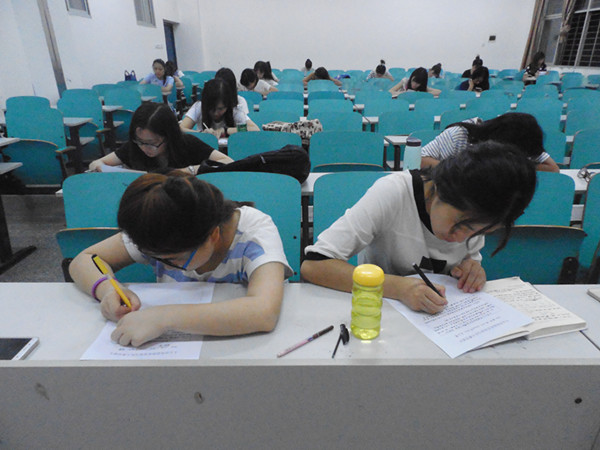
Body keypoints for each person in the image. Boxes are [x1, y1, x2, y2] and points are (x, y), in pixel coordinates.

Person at [301, 142, 537, 314]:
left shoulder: (481, 212)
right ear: (441, 189)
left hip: (443, 323)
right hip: (379, 315)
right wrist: (399, 288)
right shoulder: (394, 193)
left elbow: (469, 259)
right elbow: (314, 265)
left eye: (479, 232)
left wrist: (472, 268)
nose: (460, 239)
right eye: (460, 224)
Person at [69, 172, 293, 347]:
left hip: (245, 349)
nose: (165, 264)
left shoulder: (254, 231)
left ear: (213, 235)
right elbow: (85, 259)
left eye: (174, 259)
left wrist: (163, 318)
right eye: (155, 258)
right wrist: (107, 290)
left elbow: (263, 311)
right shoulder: (161, 224)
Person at [89, 102, 232, 173]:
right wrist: (98, 167)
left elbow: (228, 162)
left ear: (169, 136)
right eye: (140, 142)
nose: (145, 148)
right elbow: (96, 164)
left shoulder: (188, 144)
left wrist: (188, 170)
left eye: (152, 143)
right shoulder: (134, 147)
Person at [420, 113, 560, 172]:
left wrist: (515, 166)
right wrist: (461, 172)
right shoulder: (459, 134)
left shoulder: (524, 141)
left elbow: (553, 168)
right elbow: (421, 160)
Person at [180, 78, 259, 136]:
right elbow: (180, 129)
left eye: (220, 109)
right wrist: (202, 133)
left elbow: (255, 129)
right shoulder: (198, 107)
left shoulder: (234, 110)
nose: (215, 113)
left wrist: (226, 130)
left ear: (227, 105)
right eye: (211, 108)